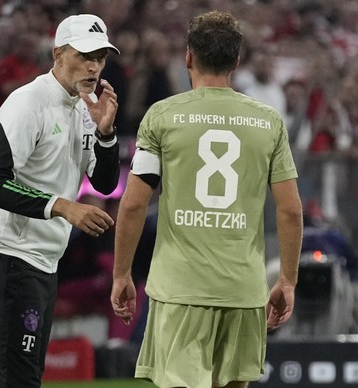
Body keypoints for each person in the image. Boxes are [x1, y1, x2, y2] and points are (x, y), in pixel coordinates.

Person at [111, 10, 303, 388]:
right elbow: (291, 210)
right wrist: (288, 280)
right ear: (236, 61)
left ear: (188, 57)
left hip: (181, 289)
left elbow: (133, 204)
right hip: (243, 290)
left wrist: (122, 273)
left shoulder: (162, 117)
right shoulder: (269, 122)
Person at [0, 14, 122, 387]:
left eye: (100, 58)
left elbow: (104, 184)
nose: (94, 67)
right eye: (84, 55)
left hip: (43, 261)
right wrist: (63, 205)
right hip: (8, 256)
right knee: (18, 379)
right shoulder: (27, 103)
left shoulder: (84, 109)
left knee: (28, 377)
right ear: (57, 54)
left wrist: (106, 135)